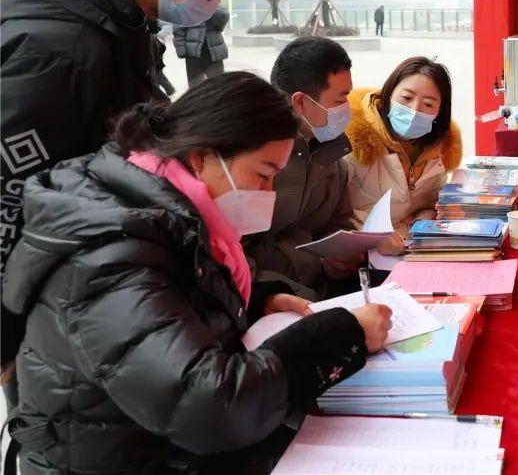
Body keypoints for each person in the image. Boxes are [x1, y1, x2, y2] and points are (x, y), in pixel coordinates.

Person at [1, 72, 393, 475]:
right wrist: (341, 335)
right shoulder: (113, 252)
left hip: (155, 445)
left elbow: (169, 300)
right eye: (262, 175)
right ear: (202, 156)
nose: (269, 193)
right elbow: (205, 406)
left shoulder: (158, 209)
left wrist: (260, 300)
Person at [0, 0, 246, 386]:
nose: (212, 1)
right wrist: (9, 336)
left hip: (91, 265)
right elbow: (12, 192)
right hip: (46, 289)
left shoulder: (118, 17)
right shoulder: (59, 45)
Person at [245, 37, 360, 301]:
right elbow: (232, 252)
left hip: (320, 293)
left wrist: (340, 258)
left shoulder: (332, 154)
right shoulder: (253, 157)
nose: (346, 110)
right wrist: (280, 294)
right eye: (340, 100)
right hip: (267, 299)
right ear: (300, 103)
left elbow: (337, 224)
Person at [346, 57, 461, 255]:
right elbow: (334, 215)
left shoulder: (437, 148)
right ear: (389, 93)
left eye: (428, 104)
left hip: (407, 253)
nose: (415, 110)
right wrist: (374, 238)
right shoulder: (353, 143)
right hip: (359, 258)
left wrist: (424, 220)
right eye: (407, 98)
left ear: (440, 112)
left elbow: (432, 201)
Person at [174, 6, 231, 86]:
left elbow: (221, 23)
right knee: (195, 87)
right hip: (193, 54)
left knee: (218, 86)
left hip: (214, 53)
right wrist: (181, 49)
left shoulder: (214, 3)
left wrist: (212, 7)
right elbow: (178, 30)